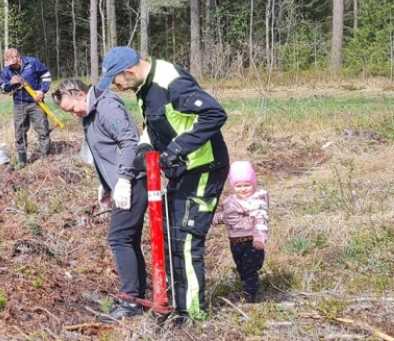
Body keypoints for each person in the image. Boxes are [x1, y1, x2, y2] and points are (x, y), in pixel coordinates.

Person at [98, 46, 228, 321]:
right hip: (181, 172)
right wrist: (143, 152)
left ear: (128, 71)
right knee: (172, 238)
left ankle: (192, 315)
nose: (117, 87)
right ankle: (176, 303)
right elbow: (152, 127)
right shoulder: (144, 88)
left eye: (116, 80)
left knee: (186, 240)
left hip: (203, 168)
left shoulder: (170, 82)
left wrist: (177, 149)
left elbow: (215, 114)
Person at [54, 78, 148, 322]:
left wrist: (125, 179)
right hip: (121, 183)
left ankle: (130, 303)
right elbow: (104, 152)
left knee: (118, 238)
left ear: (80, 94)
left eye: (72, 108)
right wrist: (105, 185)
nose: (74, 114)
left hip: (133, 181)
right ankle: (135, 299)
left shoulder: (106, 107)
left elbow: (129, 141)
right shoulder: (90, 114)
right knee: (129, 239)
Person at [214, 160, 269, 303]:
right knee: (241, 268)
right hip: (235, 243)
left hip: (251, 242)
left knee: (250, 269)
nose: (243, 189)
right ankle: (246, 290)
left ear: (253, 184)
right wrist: (213, 219)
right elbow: (228, 216)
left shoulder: (256, 202)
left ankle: (249, 295)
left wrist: (259, 238)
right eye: (239, 186)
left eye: (247, 185)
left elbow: (261, 222)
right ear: (233, 186)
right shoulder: (231, 201)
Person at [0, 48, 52, 164]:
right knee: (19, 134)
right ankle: (22, 161)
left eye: (15, 62)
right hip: (19, 105)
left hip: (36, 103)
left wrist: (42, 91)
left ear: (19, 56)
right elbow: (2, 88)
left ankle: (46, 159)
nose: (14, 66)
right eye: (10, 64)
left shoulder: (32, 63)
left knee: (43, 131)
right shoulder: (7, 71)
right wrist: (10, 83)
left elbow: (46, 75)